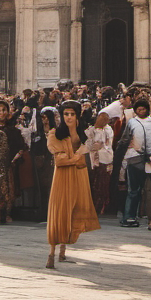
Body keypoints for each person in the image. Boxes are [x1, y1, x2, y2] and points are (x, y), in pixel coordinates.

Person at [45, 100, 100, 269]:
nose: (68, 117)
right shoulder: (55, 134)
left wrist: (87, 151)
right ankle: (52, 253)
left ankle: (63, 251)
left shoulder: (83, 134)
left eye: (72, 114)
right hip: (63, 176)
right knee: (60, 210)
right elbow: (60, 161)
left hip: (79, 174)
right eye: (66, 114)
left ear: (77, 116)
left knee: (76, 208)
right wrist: (78, 155)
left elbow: (87, 153)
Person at [121, 97, 151, 231]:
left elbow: (124, 140)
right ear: (135, 111)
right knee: (136, 190)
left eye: (143, 109)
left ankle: (131, 216)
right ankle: (131, 216)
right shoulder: (146, 122)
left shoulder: (145, 122)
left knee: (136, 190)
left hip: (139, 160)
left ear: (147, 110)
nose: (141, 111)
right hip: (145, 161)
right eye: (139, 109)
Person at [0, 98, 27, 224]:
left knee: (8, 189)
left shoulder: (12, 130)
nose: (2, 113)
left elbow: (21, 147)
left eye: (4, 110)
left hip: (7, 164)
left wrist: (14, 160)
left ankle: (6, 214)